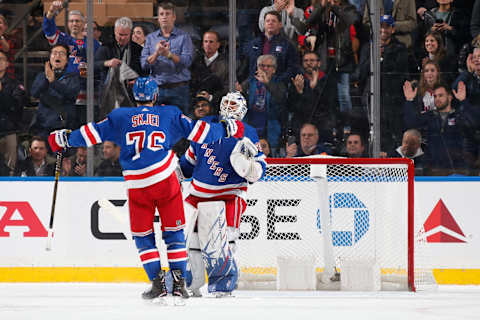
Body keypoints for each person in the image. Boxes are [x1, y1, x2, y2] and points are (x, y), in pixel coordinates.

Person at [47, 77, 245, 302]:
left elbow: (90, 134)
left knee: (143, 237)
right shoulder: (169, 113)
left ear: (134, 97)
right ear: (155, 96)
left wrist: (63, 138)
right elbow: (200, 133)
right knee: (174, 234)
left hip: (137, 184)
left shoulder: (120, 116)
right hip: (165, 180)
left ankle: (158, 283)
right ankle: (179, 283)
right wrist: (227, 129)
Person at [178, 91, 266, 297]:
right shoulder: (205, 126)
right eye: (226, 102)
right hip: (198, 193)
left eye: (234, 105)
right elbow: (188, 164)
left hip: (230, 194)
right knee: (191, 240)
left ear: (243, 110)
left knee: (225, 238)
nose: (229, 108)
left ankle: (223, 283)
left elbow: (261, 166)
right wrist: (175, 172)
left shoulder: (249, 132)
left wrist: (252, 168)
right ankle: (191, 281)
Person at [404, 81, 468, 175]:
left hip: (457, 171)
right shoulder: (430, 116)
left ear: (450, 97)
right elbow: (410, 123)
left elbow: (474, 123)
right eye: (435, 96)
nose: (437, 99)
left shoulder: (459, 115)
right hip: (433, 171)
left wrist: (464, 101)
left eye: (441, 95)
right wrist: (409, 101)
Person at [141, 1, 194, 114]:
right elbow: (144, 64)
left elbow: (187, 62)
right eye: (161, 14)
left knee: (180, 125)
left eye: (167, 13)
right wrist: (157, 53)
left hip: (179, 89)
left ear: (174, 17)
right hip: (156, 89)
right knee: (156, 123)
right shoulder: (150, 38)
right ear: (158, 18)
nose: (164, 17)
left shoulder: (184, 37)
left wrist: (168, 55)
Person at [95, 17, 147, 116]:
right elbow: (92, 66)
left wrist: (138, 80)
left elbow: (145, 72)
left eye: (125, 35)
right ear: (114, 32)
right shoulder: (106, 47)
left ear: (130, 33)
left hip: (131, 95)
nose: (122, 38)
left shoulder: (138, 50)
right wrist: (107, 63)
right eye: (119, 34)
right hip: (108, 95)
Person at [237, 54, 287, 155]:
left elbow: (280, 99)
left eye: (268, 66)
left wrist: (267, 83)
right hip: (251, 125)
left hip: (270, 128)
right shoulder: (249, 82)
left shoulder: (279, 83)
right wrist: (240, 92)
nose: (265, 69)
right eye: (261, 66)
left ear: (274, 70)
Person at [30, 44, 81, 139]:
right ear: (49, 58)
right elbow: (34, 93)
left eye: (62, 53)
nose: (57, 56)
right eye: (54, 53)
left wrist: (53, 81)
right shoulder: (41, 76)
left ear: (67, 60)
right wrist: (47, 79)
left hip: (64, 126)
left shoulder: (73, 77)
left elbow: (70, 94)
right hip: (43, 126)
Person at [288, 51, 337, 142]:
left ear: (319, 63)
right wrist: (300, 92)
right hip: (301, 127)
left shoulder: (328, 81)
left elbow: (329, 104)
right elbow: (291, 106)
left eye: (312, 60)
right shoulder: (297, 81)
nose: (309, 63)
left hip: (322, 127)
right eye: (305, 61)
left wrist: (314, 87)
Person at [240, 10, 299, 84]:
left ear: (280, 24)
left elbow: (292, 69)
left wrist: (275, 82)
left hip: (276, 88)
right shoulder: (253, 44)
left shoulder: (288, 45)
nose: (270, 23)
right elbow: (245, 67)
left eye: (273, 21)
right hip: (254, 87)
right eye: (267, 21)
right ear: (264, 24)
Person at [0, 50, 27, 175]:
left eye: (1, 59)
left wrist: (2, 92)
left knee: (10, 166)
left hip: (9, 129)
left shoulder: (14, 84)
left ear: (7, 64)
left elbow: (15, 106)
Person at [190, 30, 228, 108]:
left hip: (219, 105)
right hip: (196, 105)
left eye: (211, 42)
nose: (208, 44)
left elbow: (228, 87)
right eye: (206, 41)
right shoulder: (196, 61)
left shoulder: (227, 63)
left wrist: (211, 97)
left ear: (218, 44)